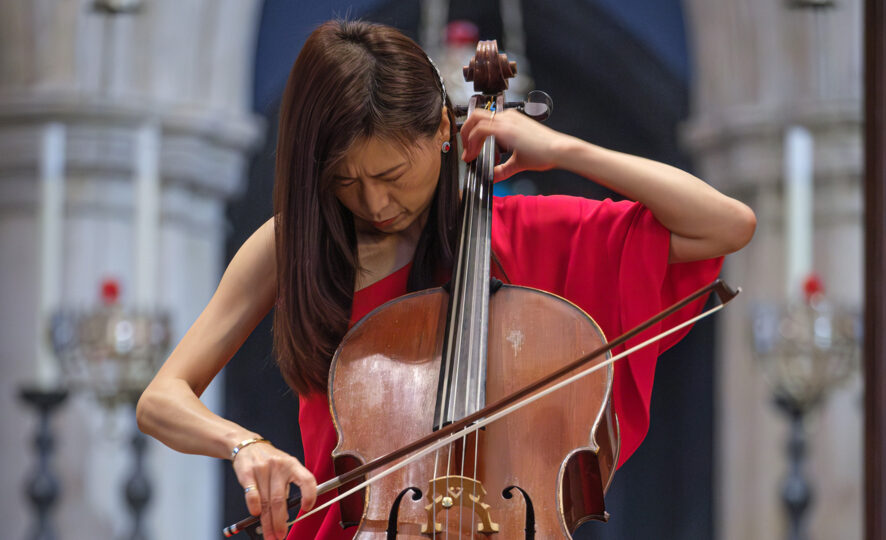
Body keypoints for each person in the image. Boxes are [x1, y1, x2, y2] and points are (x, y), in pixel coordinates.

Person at [136, 20, 755, 540]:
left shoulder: (522, 233)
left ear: (441, 129)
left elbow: (727, 225)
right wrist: (244, 446)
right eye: (346, 182)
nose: (376, 203)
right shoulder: (291, 245)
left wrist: (566, 151)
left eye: (392, 174)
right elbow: (161, 399)